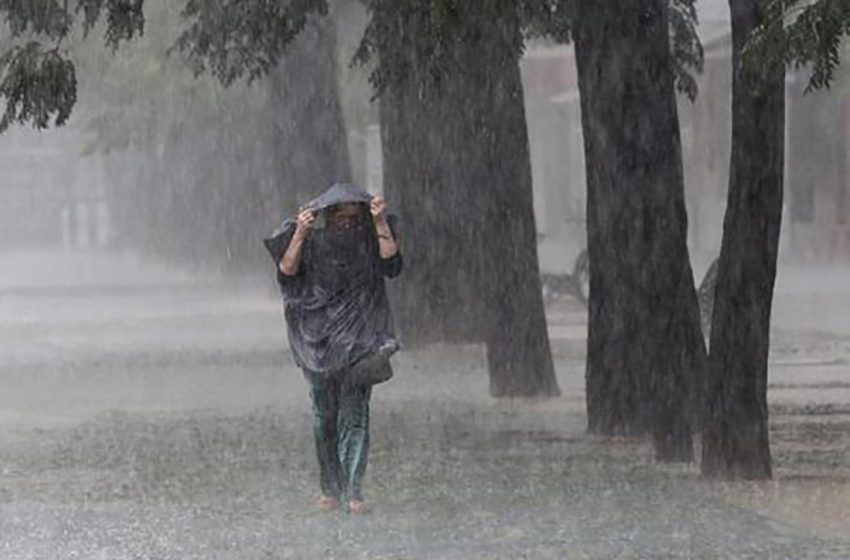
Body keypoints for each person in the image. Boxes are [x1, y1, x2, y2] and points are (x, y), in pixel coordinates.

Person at [263, 183, 403, 514]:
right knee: (324, 417)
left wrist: (380, 222)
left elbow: (392, 267)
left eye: (355, 217)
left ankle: (354, 490)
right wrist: (300, 232)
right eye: (342, 217)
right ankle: (330, 488)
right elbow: (286, 273)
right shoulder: (309, 239)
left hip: (362, 336)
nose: (348, 224)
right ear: (328, 216)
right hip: (317, 340)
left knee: (355, 417)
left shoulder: (372, 238)